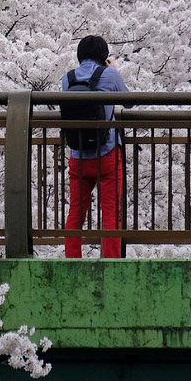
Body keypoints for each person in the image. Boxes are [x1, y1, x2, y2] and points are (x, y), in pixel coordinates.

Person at [62, 35, 130, 258]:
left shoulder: (67, 78)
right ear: (104, 55)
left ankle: (72, 260)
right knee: (111, 210)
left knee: (76, 212)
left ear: (79, 55)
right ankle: (111, 261)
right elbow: (129, 101)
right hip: (107, 152)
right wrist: (112, 70)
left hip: (78, 153)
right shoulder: (109, 74)